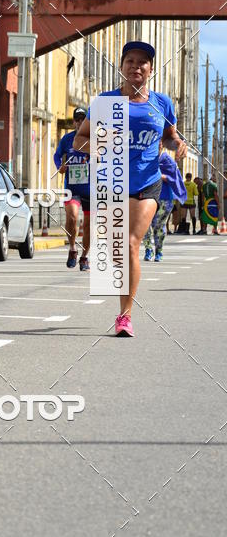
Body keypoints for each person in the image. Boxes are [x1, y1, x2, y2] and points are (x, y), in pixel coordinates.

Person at [74, 40, 187, 337]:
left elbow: (169, 136)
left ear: (150, 69)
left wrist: (178, 144)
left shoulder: (161, 103)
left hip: (147, 182)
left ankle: (125, 316)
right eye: (130, 61)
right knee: (117, 250)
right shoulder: (105, 102)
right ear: (122, 67)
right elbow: (79, 141)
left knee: (130, 244)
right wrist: (102, 144)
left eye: (142, 62)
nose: (136, 66)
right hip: (112, 183)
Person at [53, 107, 91, 271]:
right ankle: (72, 249)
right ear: (74, 121)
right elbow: (57, 155)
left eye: (83, 119)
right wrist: (59, 167)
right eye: (77, 119)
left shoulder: (94, 138)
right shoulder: (67, 139)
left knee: (88, 225)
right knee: (72, 217)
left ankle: (84, 257)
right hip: (72, 187)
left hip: (91, 189)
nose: (80, 122)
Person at [143, 153, 186, 262]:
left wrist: (158, 175)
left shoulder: (166, 160)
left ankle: (159, 251)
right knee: (144, 224)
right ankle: (148, 249)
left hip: (164, 198)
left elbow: (174, 178)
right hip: (146, 196)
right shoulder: (144, 156)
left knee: (158, 225)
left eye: (159, 144)